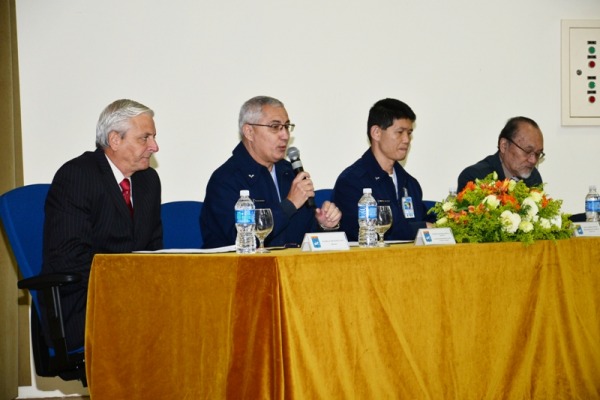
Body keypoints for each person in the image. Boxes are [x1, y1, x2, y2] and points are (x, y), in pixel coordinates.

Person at [42, 99, 163, 351]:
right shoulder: (77, 176)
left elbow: (153, 250)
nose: (155, 146)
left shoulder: (148, 181)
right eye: (145, 138)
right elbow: (69, 259)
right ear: (115, 140)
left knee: (196, 314)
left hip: (135, 300)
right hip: (86, 303)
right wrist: (127, 290)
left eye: (153, 137)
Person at [200, 95, 341, 248]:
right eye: (275, 127)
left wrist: (323, 225)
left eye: (287, 126)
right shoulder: (225, 180)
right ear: (249, 131)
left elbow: (303, 238)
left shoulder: (290, 173)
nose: (285, 135)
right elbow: (240, 240)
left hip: (292, 268)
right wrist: (290, 204)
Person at [332, 98, 435, 241]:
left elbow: (425, 220)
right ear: (376, 133)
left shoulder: (410, 183)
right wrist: (421, 227)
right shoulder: (351, 181)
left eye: (409, 133)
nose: (406, 139)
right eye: (400, 132)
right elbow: (367, 233)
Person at [457, 116, 544, 191]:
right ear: (504, 145)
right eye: (527, 151)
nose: (533, 160)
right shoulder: (475, 177)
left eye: (538, 154)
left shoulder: (533, 177)